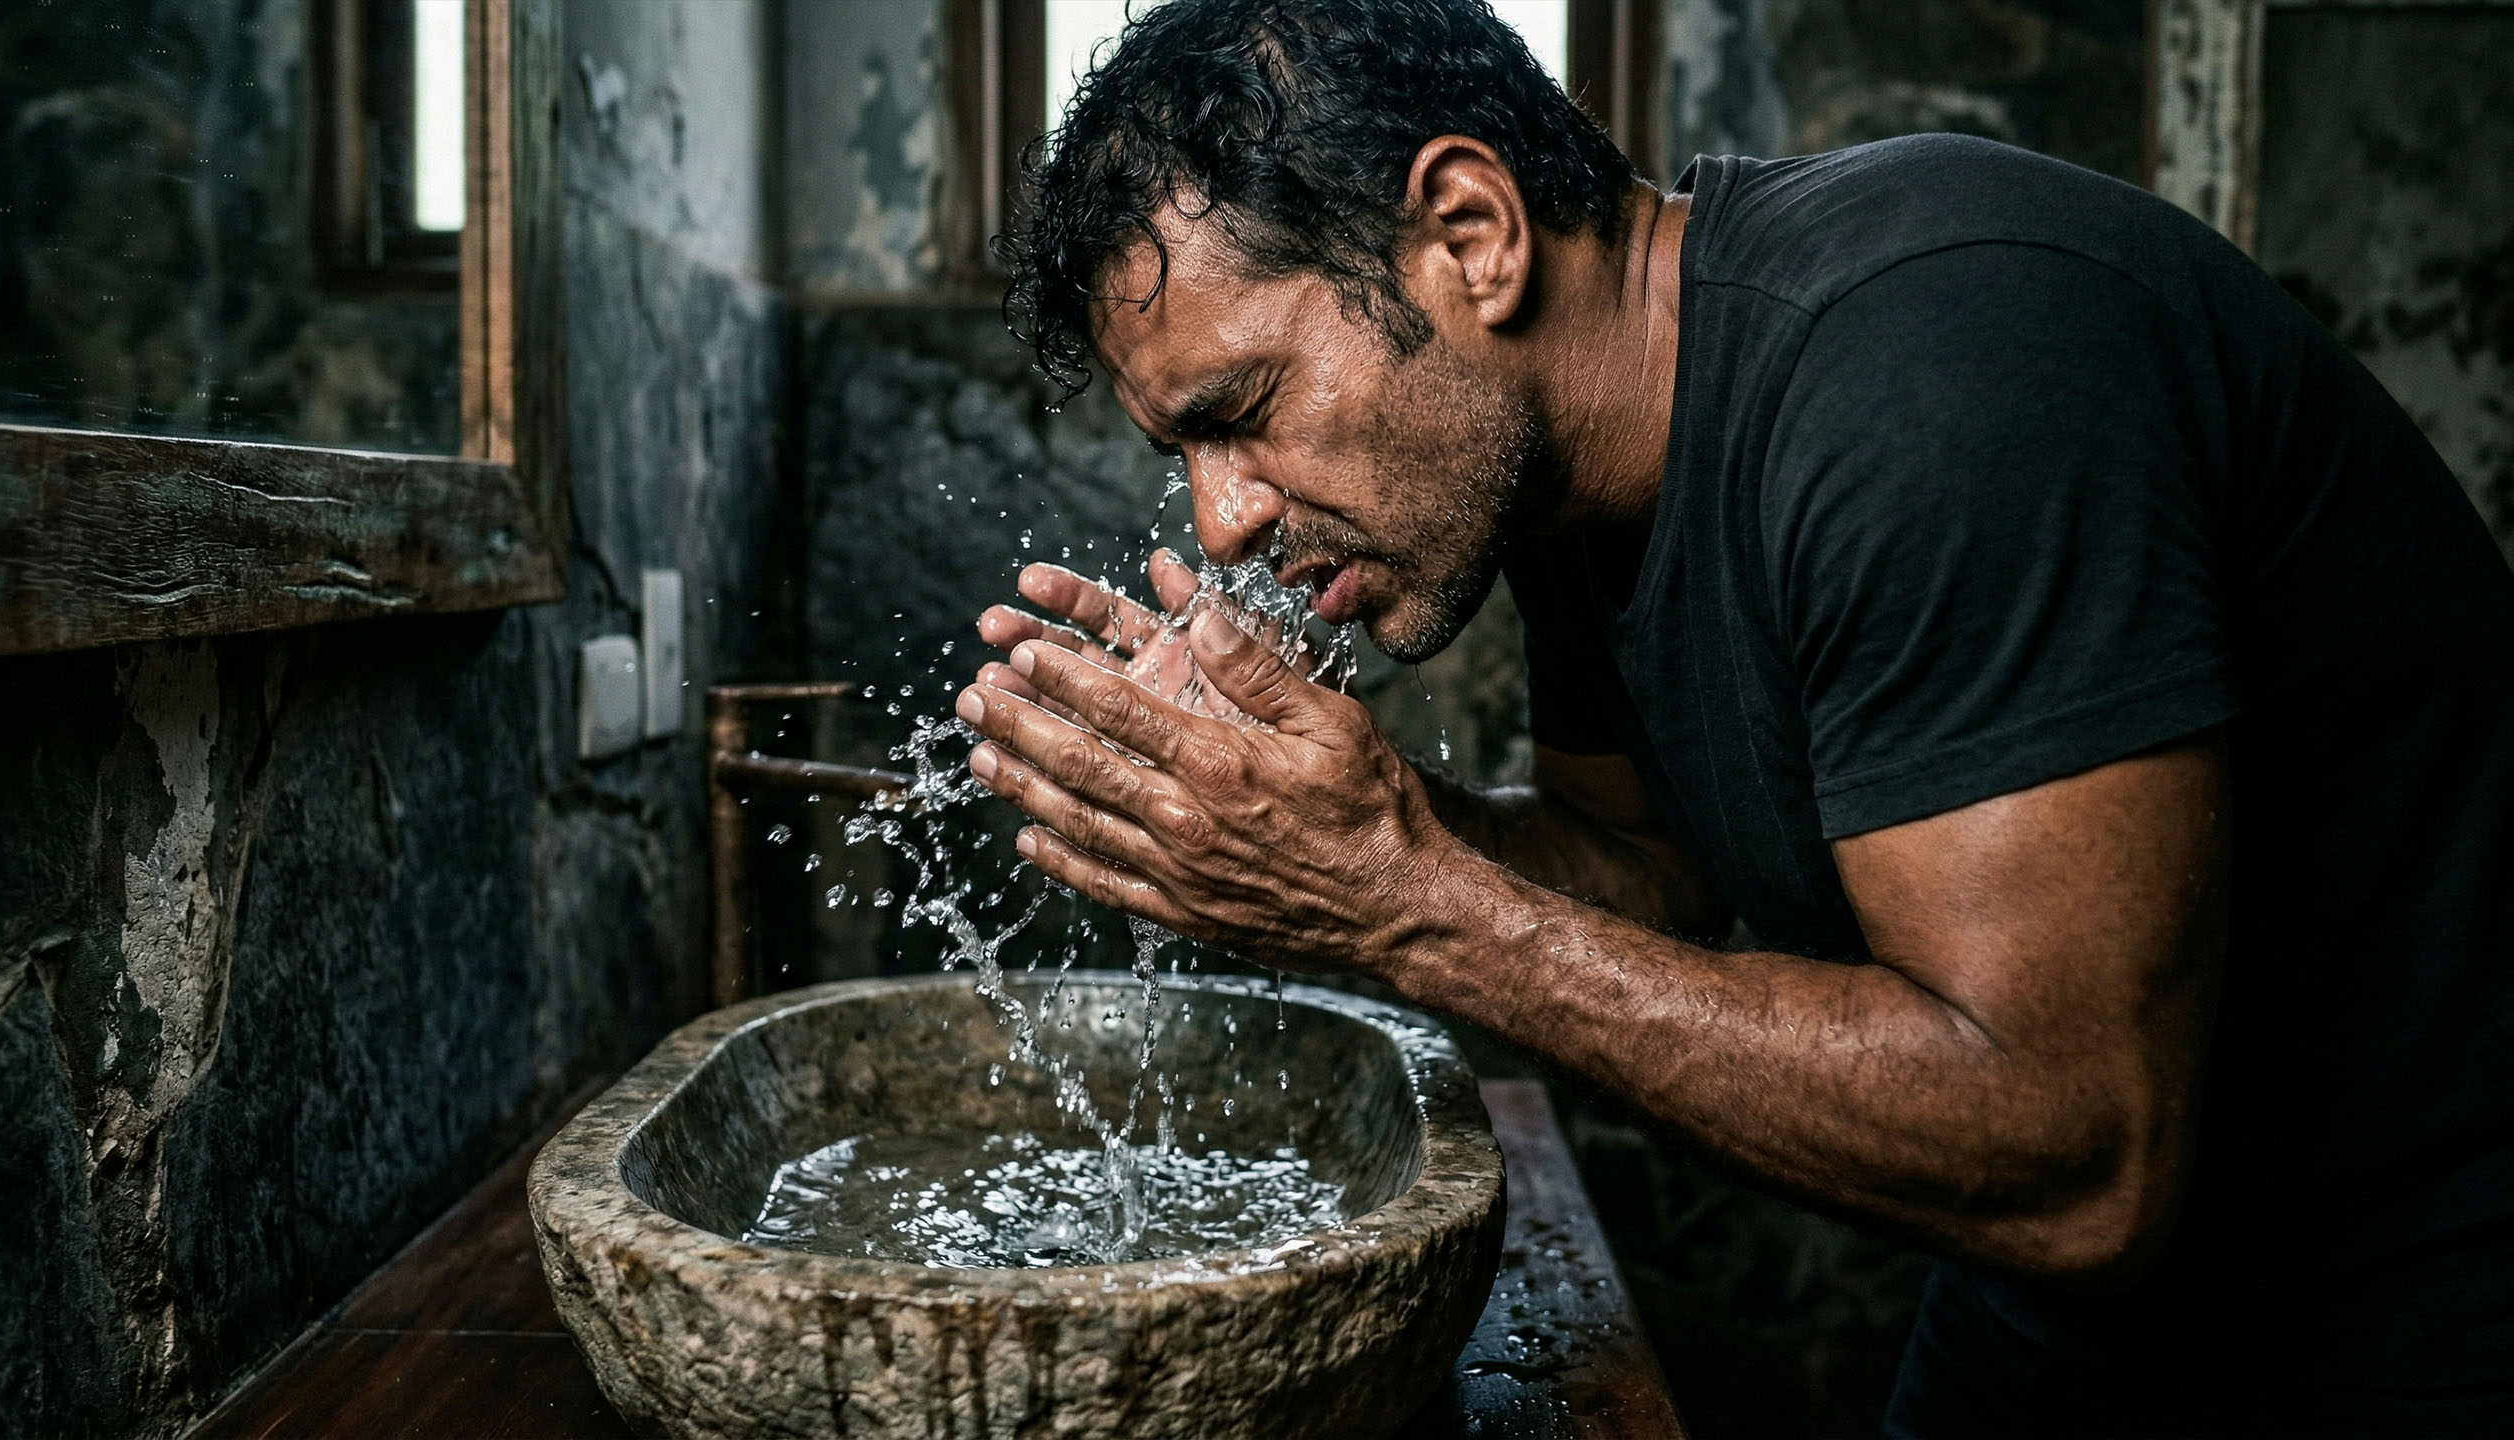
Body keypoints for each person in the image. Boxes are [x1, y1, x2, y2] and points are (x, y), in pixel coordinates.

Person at [950, 1, 2514, 1432]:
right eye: (1186, 454)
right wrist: (1305, 842)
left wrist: (1392, 898)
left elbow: (2078, 1152)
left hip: (2411, 1303)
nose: (1219, 519)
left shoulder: (1934, 365)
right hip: (2065, 1313)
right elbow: (1646, 873)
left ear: (1472, 234)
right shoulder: (1560, 459)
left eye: (1243, 411)